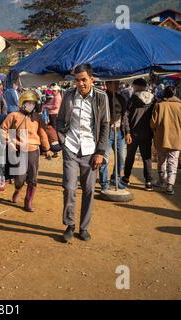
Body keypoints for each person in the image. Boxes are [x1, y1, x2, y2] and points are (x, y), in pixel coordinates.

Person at [57, 64, 110, 243]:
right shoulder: (68, 96)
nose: (80, 84)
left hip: (91, 150)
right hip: (71, 148)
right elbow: (59, 119)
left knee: (88, 190)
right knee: (69, 188)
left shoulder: (101, 98)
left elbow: (105, 125)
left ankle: (84, 227)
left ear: (91, 79)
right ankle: (70, 225)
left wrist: (100, 152)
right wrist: (63, 141)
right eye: (77, 80)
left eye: (84, 80)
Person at [0, 90, 51, 212]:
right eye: (28, 102)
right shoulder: (13, 116)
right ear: (22, 103)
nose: (31, 105)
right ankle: (18, 189)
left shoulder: (37, 118)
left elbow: (43, 133)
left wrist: (47, 148)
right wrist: (10, 141)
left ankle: (28, 201)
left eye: (33, 103)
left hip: (33, 150)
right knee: (20, 178)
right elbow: (3, 129)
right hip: (19, 150)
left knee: (33, 178)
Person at [122, 78, 155, 191]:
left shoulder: (133, 99)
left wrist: (127, 132)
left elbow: (125, 116)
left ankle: (126, 178)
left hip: (133, 133)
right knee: (147, 158)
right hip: (147, 134)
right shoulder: (153, 100)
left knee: (130, 157)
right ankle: (148, 181)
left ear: (137, 86)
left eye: (134, 86)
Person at [98, 81, 130, 191]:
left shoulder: (121, 98)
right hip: (106, 132)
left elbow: (125, 116)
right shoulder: (102, 97)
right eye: (113, 83)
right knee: (104, 159)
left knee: (121, 158)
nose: (116, 86)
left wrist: (127, 132)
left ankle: (115, 179)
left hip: (119, 132)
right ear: (107, 84)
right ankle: (103, 183)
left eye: (117, 83)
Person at [151, 86, 181, 195]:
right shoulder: (180, 106)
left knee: (161, 161)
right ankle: (170, 185)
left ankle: (161, 181)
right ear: (175, 93)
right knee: (173, 162)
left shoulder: (159, 105)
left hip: (161, 138)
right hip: (177, 139)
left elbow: (153, 123)